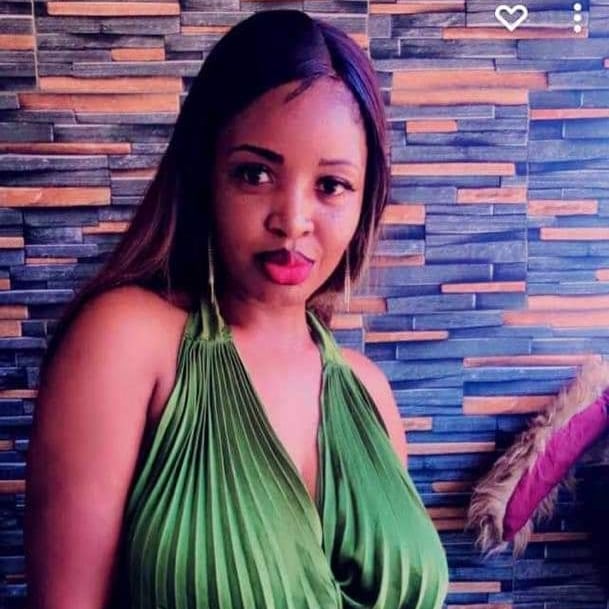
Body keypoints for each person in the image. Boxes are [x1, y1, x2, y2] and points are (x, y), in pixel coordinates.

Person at [23, 9, 448, 609]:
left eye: (330, 186)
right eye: (255, 174)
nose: (293, 221)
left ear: (364, 200)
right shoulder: (126, 342)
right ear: (206, 176)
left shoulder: (370, 394)